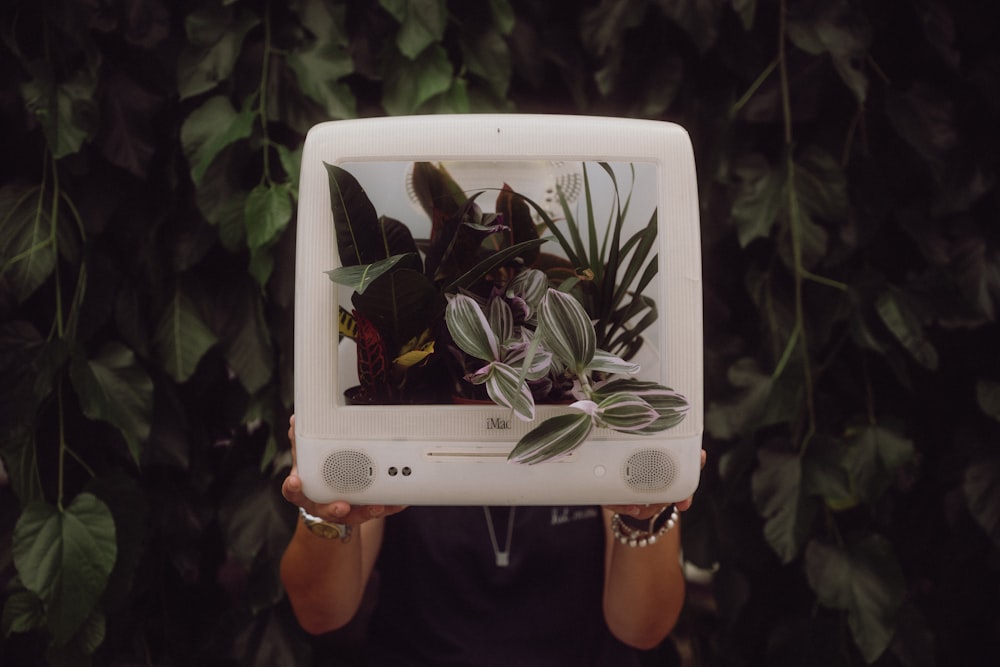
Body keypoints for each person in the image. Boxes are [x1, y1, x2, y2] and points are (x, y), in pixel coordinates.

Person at [280, 415, 704, 666]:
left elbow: (643, 629)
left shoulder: (594, 418)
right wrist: (326, 512)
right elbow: (321, 614)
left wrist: (640, 515)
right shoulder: (401, 410)